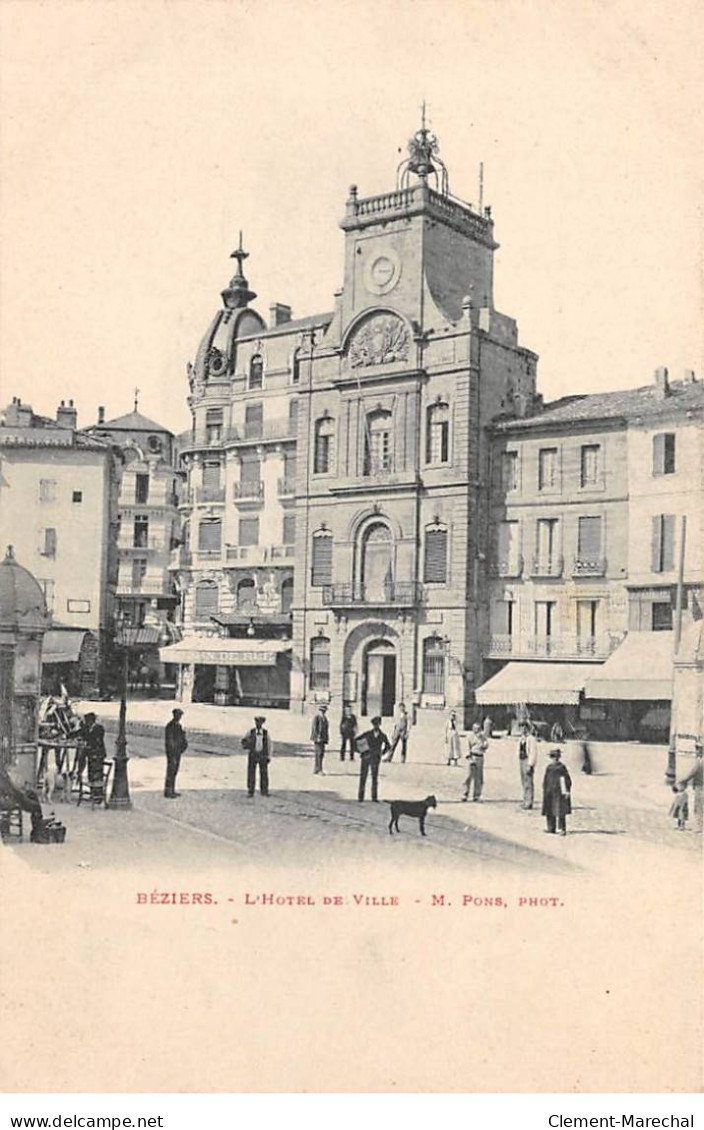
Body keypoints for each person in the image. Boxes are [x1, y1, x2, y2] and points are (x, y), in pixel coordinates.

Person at [0, 762, 46, 842]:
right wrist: (21, 794)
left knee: (32, 794)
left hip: (9, 796)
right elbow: (10, 790)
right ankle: (37, 833)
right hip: (7, 799)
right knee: (35, 806)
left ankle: (37, 831)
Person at [356, 716, 390, 802]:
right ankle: (360, 797)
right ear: (372, 725)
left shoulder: (382, 735)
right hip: (366, 757)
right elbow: (356, 741)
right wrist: (361, 751)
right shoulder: (367, 734)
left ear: (380, 725)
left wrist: (382, 753)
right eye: (375, 724)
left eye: (377, 724)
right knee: (363, 777)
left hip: (375, 758)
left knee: (374, 778)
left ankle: (374, 797)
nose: (376, 726)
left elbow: (388, 746)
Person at [542, 748, 572, 835]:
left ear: (558, 757)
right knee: (549, 809)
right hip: (549, 790)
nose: (554, 759)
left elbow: (566, 779)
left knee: (560, 810)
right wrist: (544, 788)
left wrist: (566, 790)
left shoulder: (561, 768)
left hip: (559, 791)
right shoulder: (549, 767)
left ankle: (562, 828)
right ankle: (551, 827)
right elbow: (546, 779)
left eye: (555, 757)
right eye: (552, 757)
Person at [241, 715, 272, 797]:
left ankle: (264, 790)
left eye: (260, 723)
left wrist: (269, 756)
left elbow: (269, 745)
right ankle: (250, 790)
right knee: (251, 772)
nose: (258, 724)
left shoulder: (265, 733)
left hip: (262, 754)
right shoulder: (251, 732)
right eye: (257, 722)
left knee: (264, 773)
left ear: (262, 723)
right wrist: (247, 745)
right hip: (253, 754)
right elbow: (244, 740)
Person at [83, 712, 108, 804]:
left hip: (98, 755)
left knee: (97, 775)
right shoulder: (87, 728)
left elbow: (97, 741)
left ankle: (98, 796)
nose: (85, 723)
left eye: (87, 721)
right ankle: (93, 793)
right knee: (90, 774)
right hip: (90, 755)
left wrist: (89, 744)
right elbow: (80, 733)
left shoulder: (99, 728)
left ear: (91, 720)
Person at [678, 742, 703, 833]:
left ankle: (699, 827)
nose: (696, 751)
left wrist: (681, 780)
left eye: (698, 749)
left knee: (699, 807)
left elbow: (691, 774)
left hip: (700, 787)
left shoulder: (699, 762)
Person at [164, 708, 188, 798]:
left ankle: (172, 790)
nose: (180, 717)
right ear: (174, 715)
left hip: (177, 752)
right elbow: (170, 741)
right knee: (171, 771)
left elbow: (181, 738)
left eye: (180, 715)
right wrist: (173, 751)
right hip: (172, 753)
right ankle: (168, 791)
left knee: (174, 771)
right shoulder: (170, 726)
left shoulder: (178, 726)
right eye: (179, 715)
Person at [461, 723, 488, 802]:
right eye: (476, 728)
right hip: (472, 756)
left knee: (479, 777)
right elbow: (467, 747)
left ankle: (477, 795)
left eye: (479, 728)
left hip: (480, 757)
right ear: (473, 729)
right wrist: (469, 756)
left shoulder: (483, 737)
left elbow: (486, 745)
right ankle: (465, 794)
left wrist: (484, 745)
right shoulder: (470, 737)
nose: (477, 730)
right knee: (468, 776)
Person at [517, 722, 538, 809]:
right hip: (521, 760)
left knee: (528, 782)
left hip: (527, 761)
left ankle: (529, 802)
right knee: (523, 781)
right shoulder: (521, 739)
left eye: (524, 728)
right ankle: (525, 799)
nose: (523, 730)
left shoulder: (531, 739)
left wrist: (530, 764)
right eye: (521, 728)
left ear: (527, 728)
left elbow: (533, 752)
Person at [310, 703, 329, 775]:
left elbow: (326, 729)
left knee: (321, 754)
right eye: (322, 710)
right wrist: (317, 737)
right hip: (318, 739)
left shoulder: (325, 718)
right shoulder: (317, 717)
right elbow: (314, 728)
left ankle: (317, 769)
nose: (323, 712)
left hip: (323, 739)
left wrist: (326, 738)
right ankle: (318, 770)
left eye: (324, 711)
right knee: (318, 754)